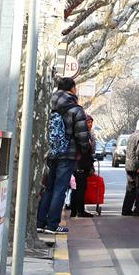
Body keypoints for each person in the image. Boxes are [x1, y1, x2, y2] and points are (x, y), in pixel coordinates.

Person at [36, 77, 91, 234]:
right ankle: (53, 225)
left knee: (49, 188)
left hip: (51, 153)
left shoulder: (48, 105)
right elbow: (81, 135)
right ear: (72, 89)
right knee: (60, 189)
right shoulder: (75, 109)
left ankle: (40, 222)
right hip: (68, 154)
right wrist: (85, 149)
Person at [70, 113, 96, 218]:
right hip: (80, 165)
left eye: (91, 122)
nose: (90, 124)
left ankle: (75, 210)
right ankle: (79, 211)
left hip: (80, 164)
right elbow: (85, 150)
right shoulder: (83, 134)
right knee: (79, 188)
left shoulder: (86, 133)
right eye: (88, 122)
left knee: (77, 188)